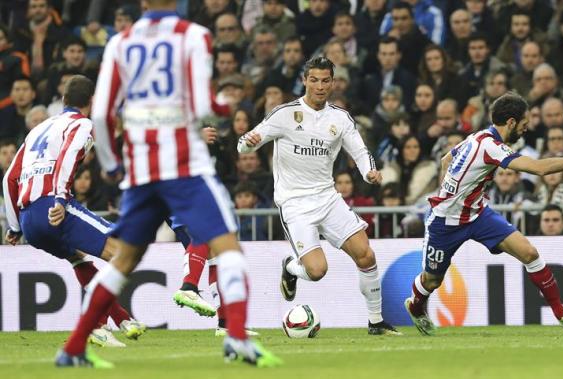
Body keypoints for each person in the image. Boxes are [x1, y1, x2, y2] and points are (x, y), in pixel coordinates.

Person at [55, 0, 281, 368]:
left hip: (143, 171)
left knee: (122, 260)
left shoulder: (119, 43)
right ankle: (236, 336)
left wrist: (112, 167)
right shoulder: (193, 35)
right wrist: (222, 107)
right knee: (227, 246)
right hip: (184, 167)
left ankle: (74, 346)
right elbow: (204, 99)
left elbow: (102, 111)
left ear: (143, 4)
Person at [404, 92, 563, 335]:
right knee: (432, 281)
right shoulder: (491, 147)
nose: (526, 129)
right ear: (512, 122)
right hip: (445, 221)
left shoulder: (479, 136)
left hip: (478, 214)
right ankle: (416, 305)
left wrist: (456, 189)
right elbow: (537, 168)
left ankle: (561, 314)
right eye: (524, 124)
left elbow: (445, 160)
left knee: (529, 253)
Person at [238, 56, 400, 336]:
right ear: (304, 81)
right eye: (314, 80)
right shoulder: (284, 114)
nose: (320, 86)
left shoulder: (339, 118)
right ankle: (291, 267)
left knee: (366, 254)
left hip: (327, 198)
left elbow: (360, 151)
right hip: (295, 204)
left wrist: (368, 172)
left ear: (333, 82)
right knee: (316, 271)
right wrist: (248, 144)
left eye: (325, 80)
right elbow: (244, 144)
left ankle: (376, 321)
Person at [2, 75, 146, 348]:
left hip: (29, 220)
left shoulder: (38, 129)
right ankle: (96, 325)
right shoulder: (81, 124)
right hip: (53, 206)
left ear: (64, 100)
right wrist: (58, 198)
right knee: (123, 251)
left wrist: (15, 226)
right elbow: (67, 158)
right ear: (91, 101)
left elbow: (9, 177)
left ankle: (121, 319)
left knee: (78, 259)